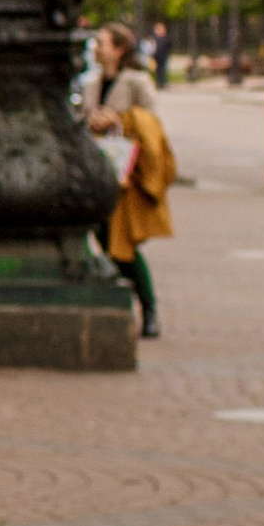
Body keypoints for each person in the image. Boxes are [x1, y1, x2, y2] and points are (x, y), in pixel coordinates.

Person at [100, 84, 175, 338]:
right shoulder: (94, 81)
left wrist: (119, 120)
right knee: (104, 241)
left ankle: (148, 307)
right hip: (98, 172)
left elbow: (152, 123)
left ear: (119, 48)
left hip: (126, 178)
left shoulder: (134, 80)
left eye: (105, 43)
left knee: (123, 246)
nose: (98, 47)